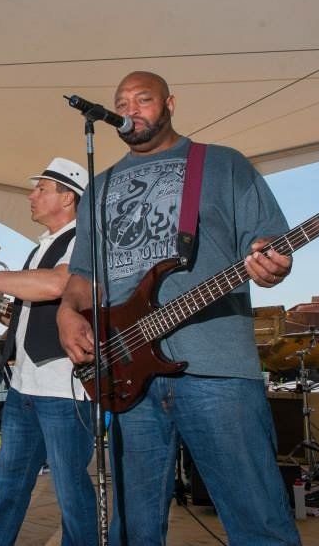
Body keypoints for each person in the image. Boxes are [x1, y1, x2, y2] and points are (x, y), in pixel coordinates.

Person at [56, 71, 301, 545]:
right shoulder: (100, 188)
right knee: (133, 526)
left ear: (170, 103)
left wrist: (272, 259)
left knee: (258, 519)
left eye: (142, 100)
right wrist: (67, 311)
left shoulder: (223, 165)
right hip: (126, 369)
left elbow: (267, 237)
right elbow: (84, 276)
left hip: (218, 368)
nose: (131, 110)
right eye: (121, 102)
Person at [0, 157, 97, 546]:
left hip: (64, 388)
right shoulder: (40, 247)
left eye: (41, 188)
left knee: (71, 490)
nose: (31, 195)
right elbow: (32, 313)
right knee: (7, 482)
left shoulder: (83, 241)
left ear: (68, 198)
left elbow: (59, 285)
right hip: (26, 384)